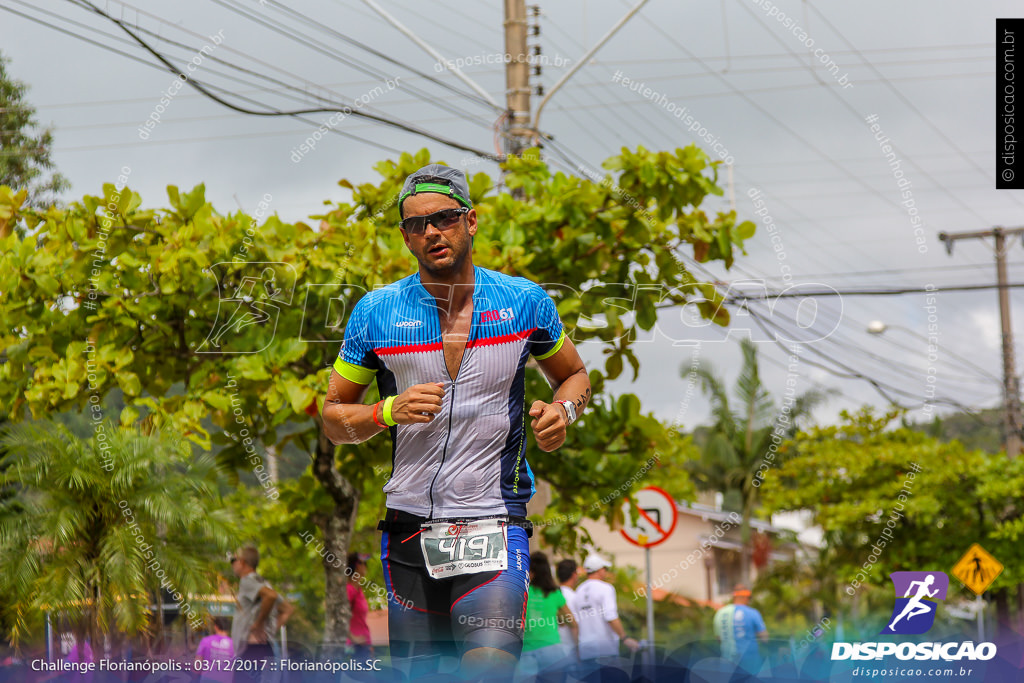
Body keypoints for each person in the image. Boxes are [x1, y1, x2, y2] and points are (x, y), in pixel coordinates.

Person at [322, 163, 592, 679]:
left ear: (470, 221)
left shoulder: (523, 302)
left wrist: (563, 411)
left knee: (487, 667)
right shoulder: (376, 312)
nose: (431, 232)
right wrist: (385, 411)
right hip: (407, 530)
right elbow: (333, 417)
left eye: (443, 218)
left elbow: (574, 375)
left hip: (495, 519)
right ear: (405, 237)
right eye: (417, 225)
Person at [230, 545, 295, 682]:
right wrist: (268, 631)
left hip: (251, 650)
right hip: (264, 648)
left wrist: (259, 624)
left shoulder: (248, 581)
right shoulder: (263, 583)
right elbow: (287, 609)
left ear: (242, 561)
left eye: (233, 560)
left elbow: (270, 596)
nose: (232, 565)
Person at [574, 554, 639, 678]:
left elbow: (576, 622)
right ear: (600, 570)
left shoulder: (579, 590)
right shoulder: (606, 588)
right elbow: (610, 616)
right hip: (605, 651)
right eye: (605, 569)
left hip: (586, 652)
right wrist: (625, 638)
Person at [520, 552, 578, 683]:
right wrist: (577, 650)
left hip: (527, 651)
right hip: (552, 650)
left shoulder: (523, 591)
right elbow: (572, 623)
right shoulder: (554, 593)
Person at [713, 584, 768, 674]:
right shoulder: (753, 613)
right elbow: (765, 638)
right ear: (746, 597)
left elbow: (719, 639)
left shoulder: (720, 613)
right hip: (750, 662)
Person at [346, 552, 373, 660]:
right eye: (361, 563)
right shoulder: (349, 589)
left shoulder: (359, 590)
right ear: (355, 566)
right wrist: (353, 638)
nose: (364, 566)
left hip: (363, 647)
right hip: (353, 648)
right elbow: (339, 617)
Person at [195, 617, 235, 683]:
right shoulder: (233, 644)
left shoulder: (205, 641)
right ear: (228, 628)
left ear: (216, 627)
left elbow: (197, 664)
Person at [555, 558, 582, 652]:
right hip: (569, 651)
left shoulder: (551, 595)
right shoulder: (575, 597)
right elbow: (575, 627)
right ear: (574, 575)